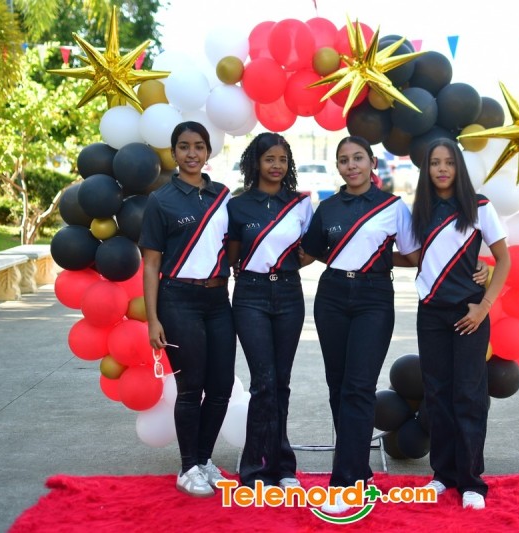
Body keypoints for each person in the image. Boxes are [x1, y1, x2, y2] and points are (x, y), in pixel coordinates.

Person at [299, 136, 421, 514]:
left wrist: (378, 258)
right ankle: (358, 469)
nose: (351, 165)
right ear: (337, 167)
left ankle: (345, 481)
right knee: (338, 386)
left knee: (359, 387)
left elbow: (413, 255)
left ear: (372, 163)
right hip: (332, 296)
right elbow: (312, 252)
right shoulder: (327, 207)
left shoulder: (392, 207)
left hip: (374, 298)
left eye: (357, 158)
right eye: (343, 160)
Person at [406, 139, 511, 510]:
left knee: (468, 395)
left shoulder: (479, 206)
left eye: (449, 162)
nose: (442, 169)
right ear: (427, 169)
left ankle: (471, 481)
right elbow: (416, 256)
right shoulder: (420, 210)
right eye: (435, 163)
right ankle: (443, 474)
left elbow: (503, 260)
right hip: (430, 313)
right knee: (437, 394)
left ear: (459, 168)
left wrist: (483, 307)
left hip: (469, 314)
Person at [140, 121, 235, 498]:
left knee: (221, 387)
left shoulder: (223, 195)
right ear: (174, 152)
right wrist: (153, 319)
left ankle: (205, 460)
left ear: (208, 151)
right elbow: (151, 264)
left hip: (219, 301)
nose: (192, 153)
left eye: (198, 146)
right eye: (184, 146)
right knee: (190, 387)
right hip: (178, 301)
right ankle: (187, 467)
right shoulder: (160, 200)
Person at [226, 132, 313, 491]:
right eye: (269, 159)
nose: (276, 166)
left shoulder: (301, 204)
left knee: (281, 383)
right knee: (263, 383)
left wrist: (290, 263)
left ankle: (283, 467)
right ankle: (254, 468)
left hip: (289, 294)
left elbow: (311, 249)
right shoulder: (238, 205)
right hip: (251, 295)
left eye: (282, 159)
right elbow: (231, 254)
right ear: (255, 162)